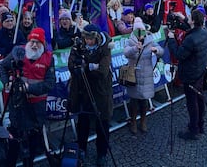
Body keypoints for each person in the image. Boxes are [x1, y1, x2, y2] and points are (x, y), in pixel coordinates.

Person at [1, 27, 55, 167]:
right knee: (15, 136)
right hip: (18, 104)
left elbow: (49, 83)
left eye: (38, 42)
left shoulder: (49, 58)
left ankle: (29, 163)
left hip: (37, 106)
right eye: (32, 41)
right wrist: (6, 83)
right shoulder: (18, 52)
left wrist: (29, 88)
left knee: (33, 140)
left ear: (43, 44)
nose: (35, 45)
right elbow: (2, 67)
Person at [68, 24, 113, 167]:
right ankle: (81, 148)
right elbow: (71, 64)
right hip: (83, 90)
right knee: (83, 122)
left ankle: (102, 153)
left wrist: (86, 66)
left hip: (100, 91)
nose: (88, 41)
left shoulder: (105, 48)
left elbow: (103, 71)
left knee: (102, 123)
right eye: (86, 38)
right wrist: (86, 66)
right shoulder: (78, 46)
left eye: (91, 39)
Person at [167, 9, 207, 141]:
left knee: (192, 103)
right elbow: (192, 29)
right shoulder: (204, 32)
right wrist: (183, 18)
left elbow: (179, 54)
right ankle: (200, 125)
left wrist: (171, 39)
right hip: (200, 71)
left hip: (191, 74)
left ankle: (193, 130)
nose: (188, 18)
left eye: (189, 17)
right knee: (200, 98)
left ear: (193, 21)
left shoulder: (191, 39)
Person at [123, 18, 163, 134]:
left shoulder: (150, 40)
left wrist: (156, 50)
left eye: (141, 30)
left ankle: (143, 121)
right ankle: (134, 122)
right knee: (134, 101)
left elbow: (161, 51)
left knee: (144, 100)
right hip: (133, 74)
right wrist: (135, 48)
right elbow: (126, 53)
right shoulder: (130, 41)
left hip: (146, 74)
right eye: (137, 30)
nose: (140, 33)